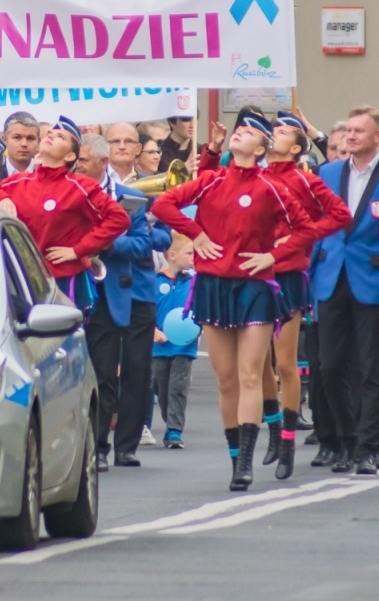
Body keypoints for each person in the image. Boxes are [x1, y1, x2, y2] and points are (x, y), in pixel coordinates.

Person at [151, 110, 315, 491]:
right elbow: (163, 206)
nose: (239, 134)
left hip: (256, 288)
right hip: (213, 286)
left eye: (249, 132)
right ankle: (233, 457)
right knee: (226, 380)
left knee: (250, 373)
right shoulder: (211, 180)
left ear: (262, 147)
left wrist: (274, 256)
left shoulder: (271, 185)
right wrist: (196, 233)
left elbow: (306, 228)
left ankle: (246, 461)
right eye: (238, 130)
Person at [308, 105, 379, 476]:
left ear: (377, 138)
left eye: (360, 131)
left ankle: (367, 446)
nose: (351, 136)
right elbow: (317, 229)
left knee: (372, 369)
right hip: (331, 278)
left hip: (374, 282)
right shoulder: (327, 173)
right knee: (328, 366)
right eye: (349, 130)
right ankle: (342, 439)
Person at [77, 133, 168, 470]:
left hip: (136, 292)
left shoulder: (130, 196)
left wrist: (106, 246)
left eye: (83, 160)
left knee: (136, 371)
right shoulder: (74, 193)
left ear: (100, 163)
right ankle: (98, 445)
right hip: (98, 293)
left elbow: (148, 244)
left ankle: (126, 446)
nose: (76, 165)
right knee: (101, 372)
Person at [0, 117, 130, 314]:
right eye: (50, 134)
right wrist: (2, 197)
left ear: (70, 156)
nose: (51, 137)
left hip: (64, 280)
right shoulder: (17, 182)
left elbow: (119, 219)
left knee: (65, 340)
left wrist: (78, 249)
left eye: (60, 137)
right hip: (21, 278)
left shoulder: (80, 186)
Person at [152, 235, 198, 449]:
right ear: (171, 255)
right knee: (162, 389)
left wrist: (198, 329)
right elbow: (147, 312)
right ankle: (169, 419)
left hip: (184, 346)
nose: (193, 257)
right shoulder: (155, 282)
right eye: (189, 253)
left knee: (178, 387)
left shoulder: (193, 283)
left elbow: (200, 311)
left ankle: (174, 431)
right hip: (159, 347)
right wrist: (153, 331)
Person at [2, 111, 40, 176]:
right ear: (5, 140)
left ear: (38, 141)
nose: (24, 144)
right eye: (17, 137)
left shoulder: (48, 177)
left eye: (30, 138)